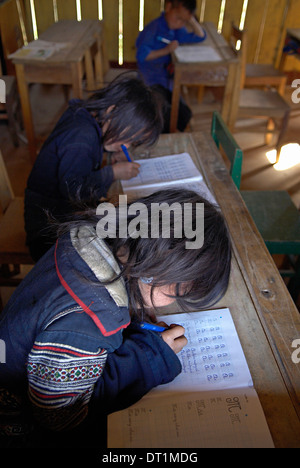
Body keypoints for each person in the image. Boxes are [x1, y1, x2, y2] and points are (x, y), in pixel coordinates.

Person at [0, 188, 231, 447]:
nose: (171, 304)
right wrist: (152, 355)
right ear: (150, 274)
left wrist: (133, 308)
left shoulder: (91, 239)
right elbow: (60, 416)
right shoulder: (88, 323)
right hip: (17, 422)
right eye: (175, 295)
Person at [24, 75, 163, 262]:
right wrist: (112, 172)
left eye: (133, 141)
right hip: (48, 233)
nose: (128, 146)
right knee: (129, 244)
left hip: (58, 214)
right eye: (128, 138)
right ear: (112, 111)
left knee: (129, 228)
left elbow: (81, 163)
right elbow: (75, 191)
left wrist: (110, 155)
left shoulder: (85, 115)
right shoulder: (80, 137)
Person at [136, 0, 206, 132]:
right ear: (168, 7)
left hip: (167, 81)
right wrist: (166, 50)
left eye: (184, 21)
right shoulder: (153, 28)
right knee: (163, 118)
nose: (180, 23)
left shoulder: (176, 29)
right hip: (151, 80)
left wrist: (190, 19)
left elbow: (200, 36)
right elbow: (141, 56)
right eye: (178, 18)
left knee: (185, 115)